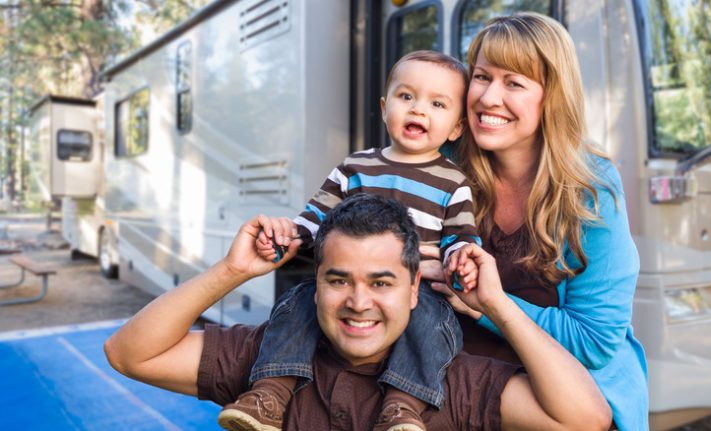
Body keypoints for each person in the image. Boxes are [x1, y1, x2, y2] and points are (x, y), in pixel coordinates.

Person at [104, 193, 612, 430]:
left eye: (381, 282)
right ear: (315, 283)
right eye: (339, 280)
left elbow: (585, 418)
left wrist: (497, 306)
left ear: (416, 288)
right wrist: (232, 272)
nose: (359, 302)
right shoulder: (268, 361)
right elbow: (130, 353)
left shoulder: (449, 381)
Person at [222, 51, 481, 431]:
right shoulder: (355, 168)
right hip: (349, 282)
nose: (418, 110)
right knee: (298, 302)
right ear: (384, 106)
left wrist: (459, 260)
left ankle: (403, 407)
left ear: (456, 128)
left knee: (434, 322)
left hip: (417, 290)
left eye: (437, 104)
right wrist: (286, 236)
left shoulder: (453, 183)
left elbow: (461, 239)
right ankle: (269, 394)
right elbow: (314, 218)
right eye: (406, 97)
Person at [424, 13, 648, 431]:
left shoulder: (590, 188)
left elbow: (594, 341)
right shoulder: (441, 167)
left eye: (514, 83)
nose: (489, 98)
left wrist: (486, 305)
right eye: (481, 77)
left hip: (558, 405)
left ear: (552, 97)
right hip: (454, 388)